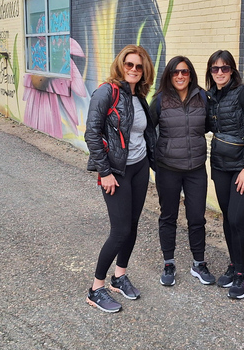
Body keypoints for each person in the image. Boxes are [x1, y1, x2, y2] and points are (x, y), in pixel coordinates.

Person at [84, 45, 157, 313]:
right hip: (115, 172)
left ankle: (119, 276)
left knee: (133, 225)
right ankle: (95, 289)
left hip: (139, 168)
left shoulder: (139, 96)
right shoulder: (107, 91)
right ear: (121, 65)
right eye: (129, 65)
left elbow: (142, 135)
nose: (134, 70)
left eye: (139, 66)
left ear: (144, 70)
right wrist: (105, 172)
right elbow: (91, 134)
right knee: (119, 230)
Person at [149, 56, 215, 287]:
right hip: (167, 169)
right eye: (175, 72)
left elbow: (208, 125)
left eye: (184, 72)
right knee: (168, 217)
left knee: (197, 217)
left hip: (196, 168)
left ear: (190, 74)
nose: (180, 76)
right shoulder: (159, 101)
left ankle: (199, 263)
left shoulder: (203, 98)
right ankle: (169, 263)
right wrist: (154, 159)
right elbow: (148, 130)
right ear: (169, 75)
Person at [205, 50, 244, 299]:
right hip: (219, 166)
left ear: (232, 70)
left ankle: (241, 274)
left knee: (238, 220)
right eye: (215, 69)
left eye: (224, 68)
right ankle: (233, 263)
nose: (220, 73)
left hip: (243, 168)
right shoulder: (210, 97)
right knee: (228, 219)